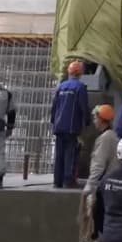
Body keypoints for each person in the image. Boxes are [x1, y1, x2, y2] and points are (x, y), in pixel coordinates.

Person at [80, 104, 120, 242]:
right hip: (109, 184)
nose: (94, 121)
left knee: (97, 216)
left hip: (103, 186)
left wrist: (90, 186)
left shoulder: (105, 139)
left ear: (102, 120)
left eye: (96, 118)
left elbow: (98, 165)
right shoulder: (111, 136)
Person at [51, 60, 90, 189]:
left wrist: (53, 122)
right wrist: (86, 122)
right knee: (70, 153)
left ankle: (57, 181)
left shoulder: (61, 86)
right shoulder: (80, 87)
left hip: (59, 126)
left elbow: (54, 106)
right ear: (80, 73)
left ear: (69, 72)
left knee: (59, 154)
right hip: (72, 127)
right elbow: (83, 106)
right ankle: (68, 180)